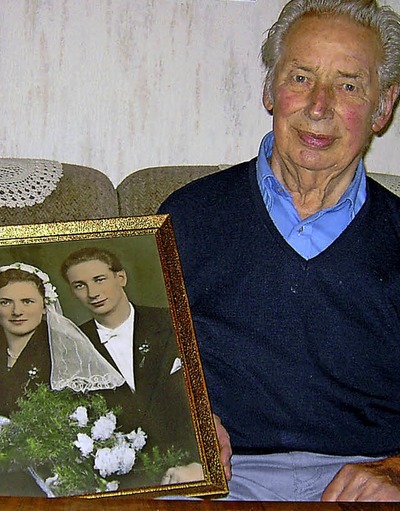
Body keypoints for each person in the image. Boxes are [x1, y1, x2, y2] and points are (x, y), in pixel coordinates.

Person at [159, 0, 400, 501]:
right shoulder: (186, 216)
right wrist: (180, 427)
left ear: (383, 107)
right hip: (221, 478)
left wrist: (395, 472)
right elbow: (134, 362)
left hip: (367, 474)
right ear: (270, 89)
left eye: (349, 85)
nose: (319, 106)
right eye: (301, 78)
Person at [0, 262, 124, 495]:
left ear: (44, 306)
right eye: (5, 302)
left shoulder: (66, 348)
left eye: (27, 301)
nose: (16, 311)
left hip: (47, 467)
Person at [60, 247, 202, 485]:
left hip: (190, 466)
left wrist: (201, 463)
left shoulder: (171, 322)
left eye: (99, 279)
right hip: (124, 479)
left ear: (121, 277)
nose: (93, 292)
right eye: (80, 285)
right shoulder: (72, 347)